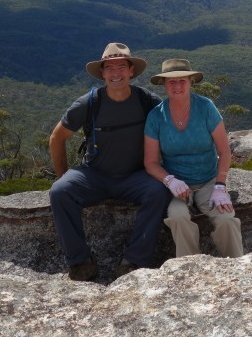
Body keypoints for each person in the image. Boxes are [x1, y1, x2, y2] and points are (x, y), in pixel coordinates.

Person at [48, 42, 170, 281]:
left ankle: (134, 261)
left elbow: (172, 130)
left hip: (136, 176)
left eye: (121, 67)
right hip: (94, 175)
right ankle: (80, 261)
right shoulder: (89, 103)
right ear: (102, 73)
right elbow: (57, 138)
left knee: (158, 191)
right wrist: (63, 177)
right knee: (60, 191)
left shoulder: (147, 101)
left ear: (131, 71)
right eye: (110, 68)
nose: (116, 73)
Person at [144, 58, 244, 258]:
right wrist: (169, 180)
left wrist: (220, 186)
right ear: (164, 84)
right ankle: (191, 266)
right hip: (177, 187)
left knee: (226, 218)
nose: (177, 86)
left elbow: (224, 151)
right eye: (172, 81)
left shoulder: (206, 107)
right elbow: (151, 162)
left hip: (209, 182)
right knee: (178, 218)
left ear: (191, 82)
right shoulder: (156, 117)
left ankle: (237, 265)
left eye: (182, 80)